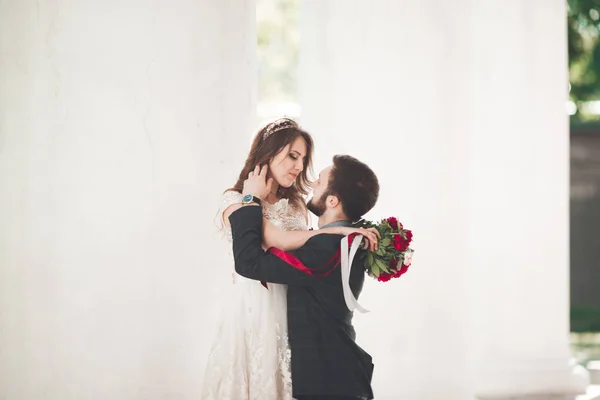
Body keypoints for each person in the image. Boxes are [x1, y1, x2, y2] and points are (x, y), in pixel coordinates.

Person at [200, 119, 378, 400]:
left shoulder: (296, 205)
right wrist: (339, 229)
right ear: (268, 155)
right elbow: (277, 242)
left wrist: (333, 232)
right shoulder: (235, 200)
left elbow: (303, 251)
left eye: (303, 158)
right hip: (253, 309)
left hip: (291, 308)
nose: (299, 166)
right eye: (293, 156)